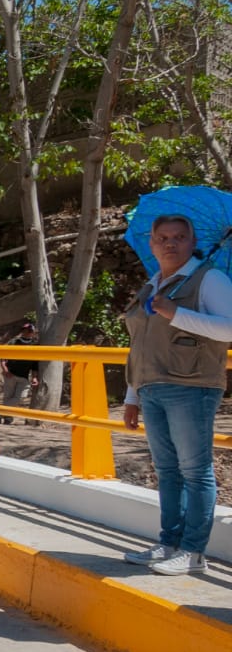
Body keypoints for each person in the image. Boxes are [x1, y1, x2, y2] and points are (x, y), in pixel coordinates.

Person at [120, 214, 232, 577]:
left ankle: (193, 551)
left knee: (195, 471)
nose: (171, 243)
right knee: (167, 471)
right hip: (152, 386)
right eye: (163, 237)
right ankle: (169, 543)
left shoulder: (209, 279)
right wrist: (132, 396)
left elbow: (230, 328)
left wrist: (177, 313)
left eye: (180, 237)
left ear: (192, 242)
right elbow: (140, 344)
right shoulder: (153, 284)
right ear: (152, 244)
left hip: (192, 387)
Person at [0, 321, 40, 425]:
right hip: (10, 374)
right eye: (24, 330)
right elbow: (3, 356)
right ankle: (8, 418)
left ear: (33, 332)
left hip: (24, 376)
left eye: (29, 330)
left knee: (21, 396)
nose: (27, 332)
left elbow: (35, 364)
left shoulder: (35, 345)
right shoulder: (14, 342)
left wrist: (34, 377)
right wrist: (5, 370)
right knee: (8, 397)